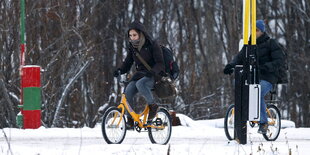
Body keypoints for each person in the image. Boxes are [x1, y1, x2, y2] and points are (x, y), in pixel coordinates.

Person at [223, 20, 284, 134]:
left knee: (257, 92)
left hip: (268, 77)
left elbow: (279, 61)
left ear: (262, 31)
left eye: (256, 30)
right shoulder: (249, 44)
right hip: (253, 76)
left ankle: (264, 123)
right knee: (243, 90)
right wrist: (230, 66)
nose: (254, 32)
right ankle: (245, 115)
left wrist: (266, 67)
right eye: (252, 30)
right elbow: (239, 58)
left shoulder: (271, 43)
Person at [113, 21, 165, 127]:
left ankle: (153, 106)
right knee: (128, 91)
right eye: (130, 35)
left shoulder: (152, 44)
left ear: (141, 34)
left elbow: (160, 63)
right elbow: (128, 62)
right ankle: (130, 120)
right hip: (141, 75)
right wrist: (120, 70)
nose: (132, 38)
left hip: (154, 76)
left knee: (140, 84)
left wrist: (153, 71)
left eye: (134, 35)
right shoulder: (133, 48)